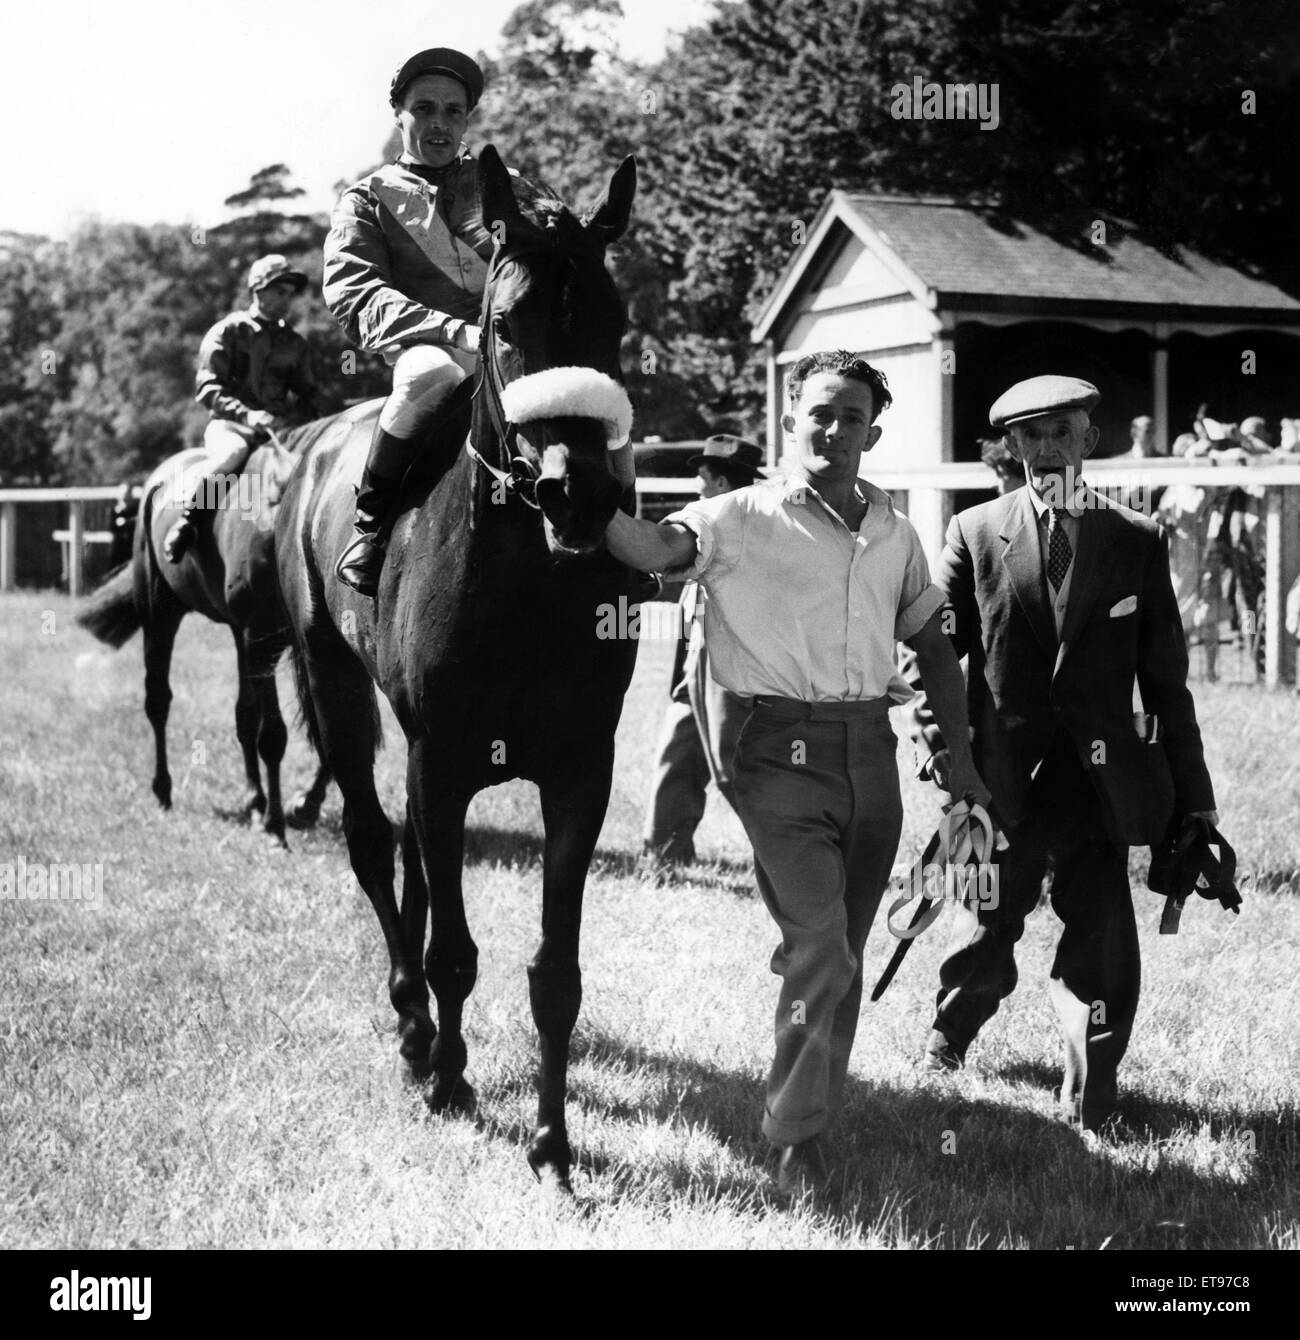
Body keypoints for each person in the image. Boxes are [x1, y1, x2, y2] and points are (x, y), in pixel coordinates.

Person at [606, 350, 990, 1196]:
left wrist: (960, 765)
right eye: (818, 412)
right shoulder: (736, 516)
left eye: (851, 416)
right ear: (789, 419)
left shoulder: (896, 531)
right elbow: (645, 547)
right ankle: (795, 1137)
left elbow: (932, 647)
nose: (833, 429)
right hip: (777, 760)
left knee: (845, 949)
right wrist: (594, 464)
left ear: (872, 431)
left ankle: (816, 1102)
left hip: (873, 757)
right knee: (818, 944)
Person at [908, 375, 1221, 1131]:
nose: (1046, 448)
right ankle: (947, 1038)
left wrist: (1196, 797)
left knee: (1102, 933)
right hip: (998, 777)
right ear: (1011, 448)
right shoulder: (975, 533)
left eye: (1062, 431)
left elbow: (1166, 682)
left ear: (1088, 440)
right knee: (986, 919)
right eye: (1031, 435)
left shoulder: (1136, 539)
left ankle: (1093, 1087)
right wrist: (949, 759)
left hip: (1097, 783)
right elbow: (932, 656)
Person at [322, 46, 636, 596]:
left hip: (521, 345)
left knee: (604, 398)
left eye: (453, 111)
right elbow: (356, 293)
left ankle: (626, 545)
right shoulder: (366, 200)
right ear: (398, 113)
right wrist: (453, 330)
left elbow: (561, 261)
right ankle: (371, 527)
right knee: (428, 377)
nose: (439, 123)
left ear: (467, 119)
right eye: (424, 109)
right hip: (433, 348)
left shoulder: (514, 186)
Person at [643, 435, 763, 865]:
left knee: (733, 768)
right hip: (697, 661)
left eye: (704, 476)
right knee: (677, 754)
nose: (697, 483)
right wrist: (681, 674)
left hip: (730, 665)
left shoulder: (751, 527)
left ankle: (796, 850)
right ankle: (665, 854)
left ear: (722, 483)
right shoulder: (703, 525)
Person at [163, 255, 318, 562]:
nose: (287, 300)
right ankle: (187, 522)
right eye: (279, 292)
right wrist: (247, 415)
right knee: (232, 454)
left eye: (290, 294)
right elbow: (207, 387)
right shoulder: (228, 331)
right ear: (258, 291)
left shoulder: (295, 343)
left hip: (276, 431)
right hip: (230, 426)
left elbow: (307, 394)